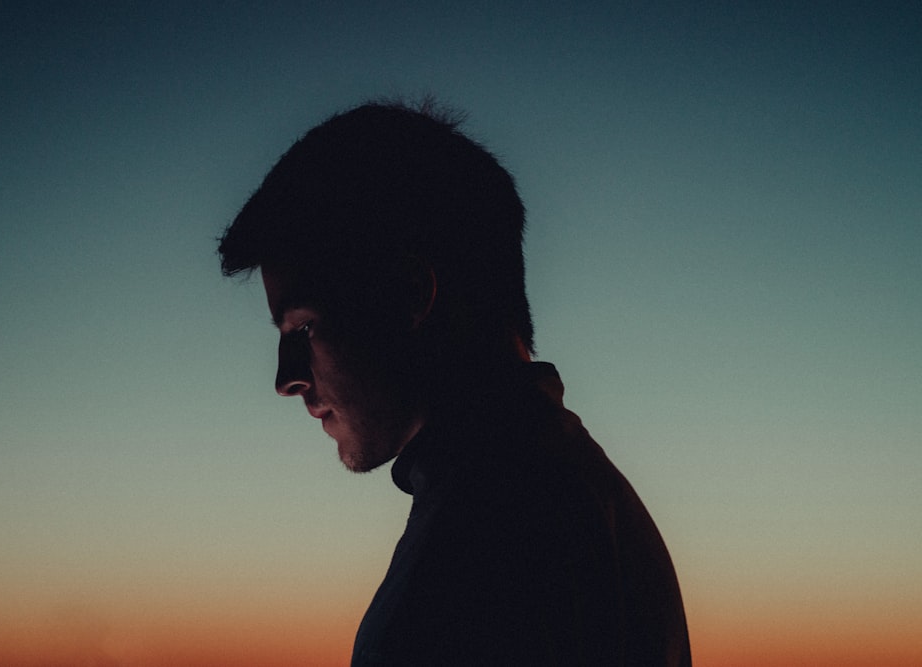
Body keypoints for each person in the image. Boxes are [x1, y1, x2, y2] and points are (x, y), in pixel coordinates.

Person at [218, 100, 691, 666]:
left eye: (305, 327)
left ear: (410, 295)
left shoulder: (497, 541)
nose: (285, 380)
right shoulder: (554, 491)